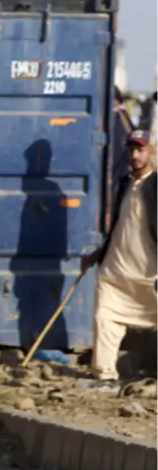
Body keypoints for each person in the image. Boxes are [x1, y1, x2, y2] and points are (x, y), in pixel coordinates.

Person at [83, 129, 155, 380]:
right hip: (116, 271)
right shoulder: (124, 182)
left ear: (151, 152)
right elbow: (119, 224)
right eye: (132, 149)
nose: (135, 155)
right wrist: (98, 254)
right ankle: (104, 375)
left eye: (140, 149)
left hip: (149, 274)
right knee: (105, 319)